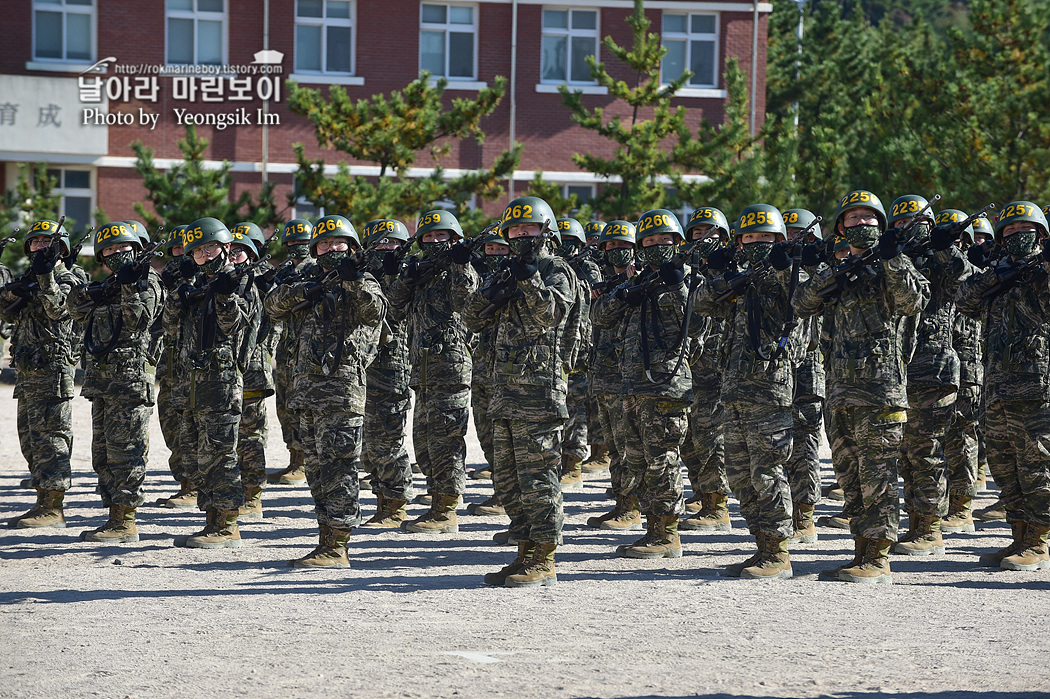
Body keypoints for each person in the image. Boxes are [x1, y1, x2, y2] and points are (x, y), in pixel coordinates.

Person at [793, 190, 929, 584]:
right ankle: (860, 549)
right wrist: (832, 272)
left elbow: (912, 301)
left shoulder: (894, 264)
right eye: (854, 219)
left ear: (882, 226)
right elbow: (802, 303)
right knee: (850, 476)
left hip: (880, 391)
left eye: (870, 219)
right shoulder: (838, 269)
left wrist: (891, 258)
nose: (862, 224)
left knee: (878, 475)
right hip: (839, 391)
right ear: (841, 227)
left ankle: (879, 556)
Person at [462, 196, 580, 587]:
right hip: (503, 393)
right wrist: (493, 291)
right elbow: (471, 318)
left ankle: (544, 557)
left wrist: (529, 279)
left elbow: (550, 315)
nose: (521, 235)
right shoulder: (506, 272)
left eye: (528, 229)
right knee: (509, 481)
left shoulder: (556, 270)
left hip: (540, 394)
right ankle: (525, 551)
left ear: (545, 231)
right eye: (514, 230)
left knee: (539, 480)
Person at [265, 214, 386, 567]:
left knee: (339, 468)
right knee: (317, 471)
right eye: (324, 243)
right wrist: (308, 290)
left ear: (351, 247)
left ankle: (338, 545)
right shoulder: (307, 279)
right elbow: (273, 305)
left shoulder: (364, 281)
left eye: (338, 243)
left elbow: (374, 313)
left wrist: (354, 282)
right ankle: (326, 538)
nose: (331, 248)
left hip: (341, 392)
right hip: (305, 393)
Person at [695, 204, 802, 579]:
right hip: (735, 389)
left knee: (767, 471)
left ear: (780, 240)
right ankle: (761, 545)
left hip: (770, 390)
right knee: (740, 474)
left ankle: (778, 550)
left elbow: (801, 302)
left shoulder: (789, 275)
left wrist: (783, 266)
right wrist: (721, 273)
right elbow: (703, 304)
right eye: (750, 238)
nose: (757, 244)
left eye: (766, 238)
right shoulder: (745, 278)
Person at [591, 209, 700, 561]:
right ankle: (652, 527)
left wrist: (675, 287)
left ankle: (667, 532)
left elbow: (696, 326)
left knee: (662, 460)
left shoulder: (688, 279)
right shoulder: (635, 280)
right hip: (632, 386)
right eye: (649, 241)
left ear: (677, 243)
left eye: (663, 240)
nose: (656, 246)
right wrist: (625, 294)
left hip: (666, 387)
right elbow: (598, 316)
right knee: (637, 460)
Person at [956, 201, 1050, 571]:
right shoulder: (998, 272)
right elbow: (964, 299)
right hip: (995, 387)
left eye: (1024, 229)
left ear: (1040, 234)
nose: (1016, 235)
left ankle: (1040, 541)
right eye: (1009, 230)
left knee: (1038, 467)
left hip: (1036, 389)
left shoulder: (1044, 271)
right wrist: (1002, 272)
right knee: (1004, 467)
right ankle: (1019, 536)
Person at [888, 195, 973, 557]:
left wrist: (945, 250)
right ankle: (917, 522)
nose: (913, 225)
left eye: (920, 218)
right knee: (906, 454)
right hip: (895, 370)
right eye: (904, 220)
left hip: (933, 369)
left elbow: (966, 283)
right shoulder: (894, 259)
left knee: (926, 453)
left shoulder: (943, 259)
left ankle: (930, 528)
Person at [67, 222, 162, 542]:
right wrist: (108, 287)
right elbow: (74, 307)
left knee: (127, 453)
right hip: (101, 383)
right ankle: (113, 514)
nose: (115, 255)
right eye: (108, 250)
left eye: (122, 249)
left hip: (131, 383)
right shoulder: (106, 284)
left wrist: (127, 285)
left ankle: (126, 520)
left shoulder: (147, 282)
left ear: (135, 250)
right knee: (103, 454)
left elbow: (139, 320)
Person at [386, 209, 479, 534]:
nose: (434, 241)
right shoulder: (422, 273)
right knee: (424, 443)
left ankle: (446, 509)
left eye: (441, 236)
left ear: (454, 239)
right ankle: (436, 499)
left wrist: (460, 263)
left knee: (447, 441)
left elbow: (464, 302)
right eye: (428, 237)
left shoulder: (460, 271)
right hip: (422, 373)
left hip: (451, 371)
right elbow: (394, 310)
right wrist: (404, 280)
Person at [166, 217, 257, 549]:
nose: (206, 254)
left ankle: (228, 524)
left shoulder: (240, 283)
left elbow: (238, 329)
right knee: (198, 457)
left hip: (220, 382)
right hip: (190, 384)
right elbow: (171, 330)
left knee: (221, 455)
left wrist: (223, 297)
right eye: (199, 250)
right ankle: (211, 521)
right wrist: (181, 298)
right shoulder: (191, 283)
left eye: (211, 247)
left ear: (226, 248)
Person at [2, 219, 81, 529]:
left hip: (53, 372)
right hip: (28, 373)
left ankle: (53, 508)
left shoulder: (69, 279)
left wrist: (44, 276)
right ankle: (41, 500)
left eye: (46, 243)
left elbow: (58, 309)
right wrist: (10, 288)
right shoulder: (30, 278)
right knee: (31, 442)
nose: (39, 247)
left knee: (52, 441)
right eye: (34, 243)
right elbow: (5, 310)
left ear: (61, 248)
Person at [678, 206, 732, 533]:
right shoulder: (685, 273)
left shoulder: (730, 271)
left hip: (718, 370)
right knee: (689, 440)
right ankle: (701, 494)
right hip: (687, 371)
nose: (703, 239)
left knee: (711, 438)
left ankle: (717, 506)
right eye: (696, 233)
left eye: (710, 233)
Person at [585, 221, 641, 531]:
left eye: (624, 246)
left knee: (629, 445)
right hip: (604, 375)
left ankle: (632, 507)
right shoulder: (608, 285)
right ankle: (622, 502)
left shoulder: (644, 282)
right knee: (615, 447)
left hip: (627, 377)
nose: (618, 251)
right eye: (612, 246)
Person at [358, 219, 414, 528]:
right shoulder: (362, 277)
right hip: (359, 367)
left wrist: (396, 276)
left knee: (388, 440)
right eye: (379, 243)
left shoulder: (410, 275)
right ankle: (383, 501)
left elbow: (395, 310)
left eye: (392, 243)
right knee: (368, 442)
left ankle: (395, 505)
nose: (385, 249)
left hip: (392, 368)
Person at [781, 208, 826, 544]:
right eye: (788, 235)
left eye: (802, 235)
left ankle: (805, 514)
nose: (794, 241)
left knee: (806, 443)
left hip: (809, 366)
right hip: (776, 365)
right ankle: (780, 513)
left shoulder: (824, 269)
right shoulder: (776, 268)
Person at [936, 210, 981, 534]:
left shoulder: (969, 271)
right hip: (941, 368)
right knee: (940, 441)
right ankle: (942, 504)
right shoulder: (939, 268)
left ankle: (962, 509)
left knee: (962, 438)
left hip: (968, 368)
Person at [228, 221, 275, 522]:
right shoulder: (223, 277)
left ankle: (253, 494)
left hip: (253, 369)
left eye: (242, 250)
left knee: (251, 435)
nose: (235, 255)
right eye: (231, 249)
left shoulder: (263, 279)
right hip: (225, 369)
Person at [465, 227, 511, 517]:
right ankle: (501, 490)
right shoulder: (486, 280)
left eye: (501, 249)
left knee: (507, 440)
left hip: (508, 374)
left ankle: (507, 495)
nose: (494, 254)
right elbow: (470, 318)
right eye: (490, 249)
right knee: (487, 436)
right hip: (483, 368)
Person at [266, 219, 316, 486]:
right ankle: (294, 457)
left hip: (307, 350)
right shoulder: (283, 271)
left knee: (302, 406)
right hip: (286, 348)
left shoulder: (318, 269)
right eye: (293, 243)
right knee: (284, 406)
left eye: (303, 243)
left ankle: (306, 461)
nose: (298, 247)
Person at [555, 217, 603, 489]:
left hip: (581, 348)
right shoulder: (551, 268)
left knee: (575, 407)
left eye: (572, 243)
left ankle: (573, 463)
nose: (566, 248)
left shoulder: (588, 268)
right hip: (556, 347)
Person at [154, 225, 199, 509]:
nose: (180, 255)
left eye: (186, 250)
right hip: (168, 366)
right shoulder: (165, 280)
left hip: (193, 368)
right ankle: (184, 481)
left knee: (192, 426)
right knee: (171, 424)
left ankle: (194, 486)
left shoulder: (203, 279)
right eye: (175, 250)